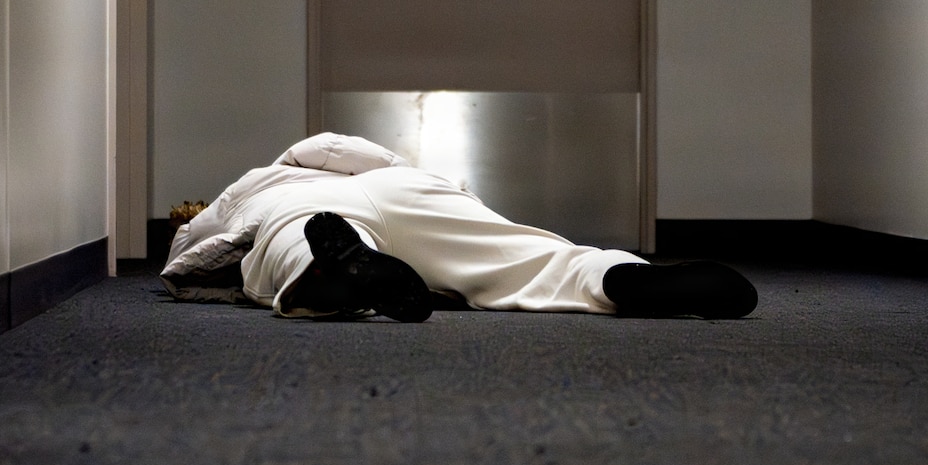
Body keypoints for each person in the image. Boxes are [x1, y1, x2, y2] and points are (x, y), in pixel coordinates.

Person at [162, 132, 756, 321]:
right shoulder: (299, 157)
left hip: (315, 209)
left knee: (297, 243)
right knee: (534, 257)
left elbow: (189, 265)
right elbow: (339, 146)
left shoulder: (250, 192)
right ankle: (620, 274)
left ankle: (332, 272)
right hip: (413, 192)